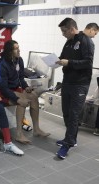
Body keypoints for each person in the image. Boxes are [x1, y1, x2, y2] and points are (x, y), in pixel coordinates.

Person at [0, 40, 50, 144]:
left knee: (34, 96)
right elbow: (3, 88)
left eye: (19, 47)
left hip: (12, 88)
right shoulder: (1, 64)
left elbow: (21, 78)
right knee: (22, 100)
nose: (19, 50)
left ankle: (36, 129)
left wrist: (26, 87)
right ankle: (19, 134)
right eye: (16, 48)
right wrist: (17, 98)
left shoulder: (19, 60)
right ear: (10, 51)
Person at [55, 18, 94, 159]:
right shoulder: (69, 41)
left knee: (73, 114)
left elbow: (88, 62)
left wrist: (69, 62)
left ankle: (68, 143)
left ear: (71, 29)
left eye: (64, 31)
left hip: (80, 83)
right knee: (66, 112)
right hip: (68, 81)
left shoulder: (86, 41)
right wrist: (58, 60)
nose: (63, 34)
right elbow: (64, 57)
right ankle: (71, 139)